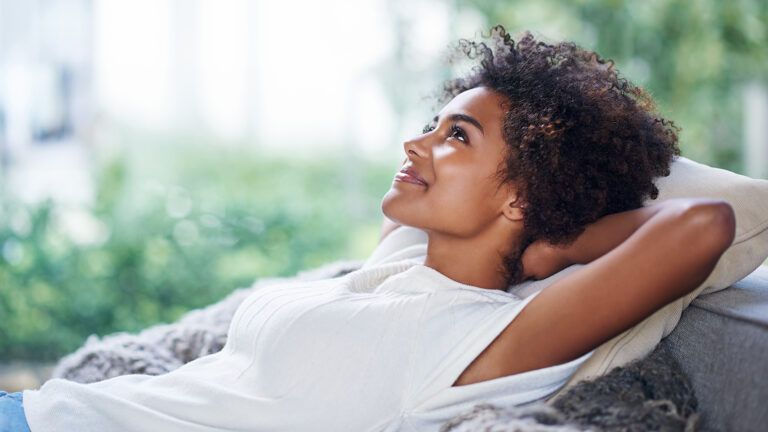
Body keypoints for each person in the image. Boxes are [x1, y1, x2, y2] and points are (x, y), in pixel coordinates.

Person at [3, 26, 735, 432]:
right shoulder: (399, 270)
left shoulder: (485, 337)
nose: (416, 145)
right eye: (430, 126)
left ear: (520, 196)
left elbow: (706, 224)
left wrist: (551, 245)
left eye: (456, 138)